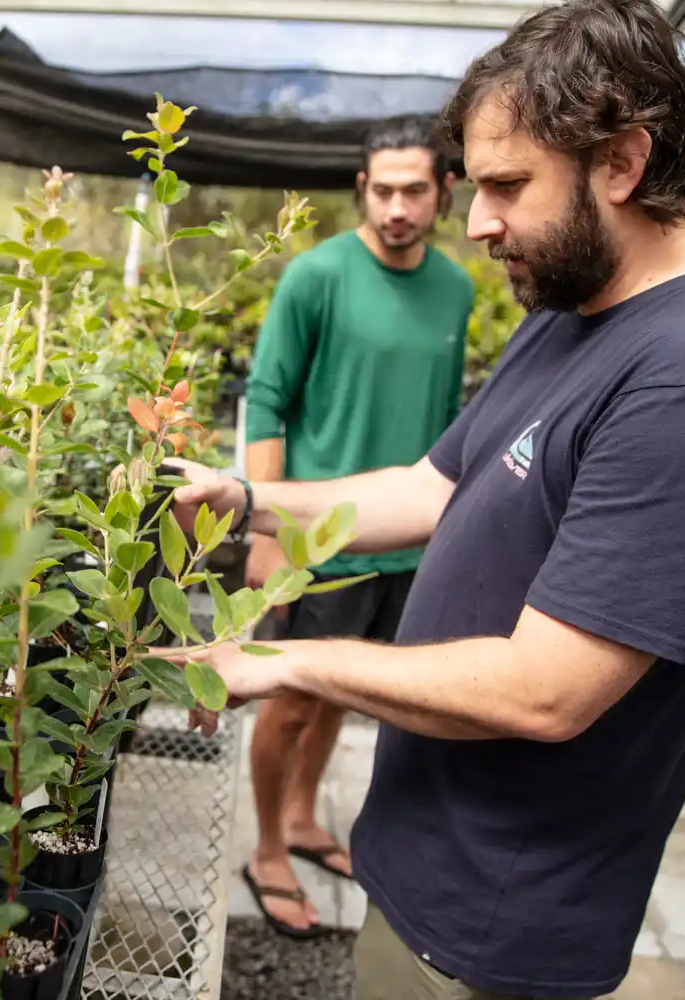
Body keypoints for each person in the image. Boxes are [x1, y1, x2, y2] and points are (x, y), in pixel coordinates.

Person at [164, 1, 685, 997]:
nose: (474, 223)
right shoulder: (574, 306)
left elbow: (544, 692)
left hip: (500, 912)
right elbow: (427, 487)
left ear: (622, 162)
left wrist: (281, 659)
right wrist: (243, 499)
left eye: (508, 185)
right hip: (424, 848)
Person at [238, 115, 475, 938]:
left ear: (444, 191)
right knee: (290, 702)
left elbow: (446, 421)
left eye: (414, 190)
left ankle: (303, 817)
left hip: (407, 544)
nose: (397, 207)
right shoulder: (318, 275)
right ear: (361, 190)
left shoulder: (457, 287)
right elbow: (266, 400)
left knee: (347, 690)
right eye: (382, 191)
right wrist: (265, 534)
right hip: (317, 540)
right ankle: (267, 849)